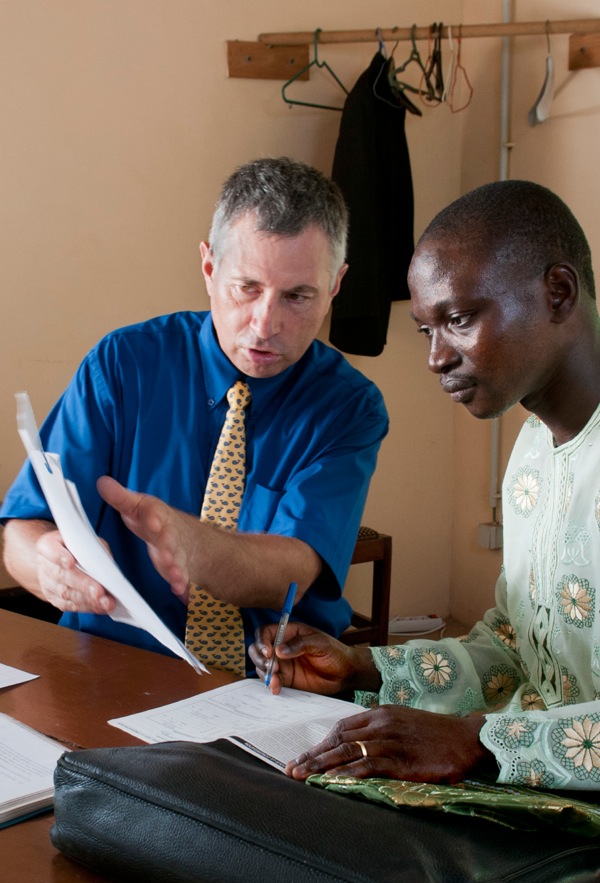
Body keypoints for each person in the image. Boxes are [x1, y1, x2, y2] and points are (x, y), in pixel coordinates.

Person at [250, 179, 600, 791]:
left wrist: (478, 743)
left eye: (458, 320)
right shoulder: (532, 451)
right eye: (426, 331)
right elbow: (516, 646)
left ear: (558, 293)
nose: (437, 357)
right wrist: (362, 669)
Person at [1, 157, 388, 665]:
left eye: (297, 296)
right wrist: (45, 566)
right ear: (209, 268)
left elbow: (293, 571)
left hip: (267, 679)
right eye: (246, 288)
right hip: (112, 664)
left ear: (335, 286)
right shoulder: (122, 365)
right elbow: (22, 531)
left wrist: (189, 543)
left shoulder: (349, 406)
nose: (265, 323)